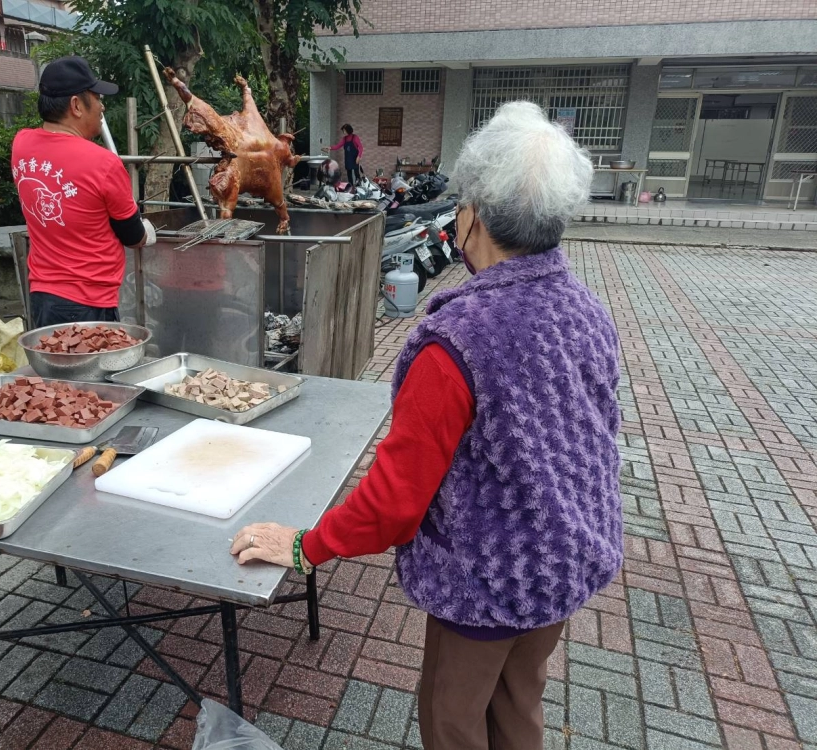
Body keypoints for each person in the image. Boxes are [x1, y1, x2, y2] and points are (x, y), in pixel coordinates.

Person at [230, 101, 622, 750]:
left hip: (491, 577)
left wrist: (305, 546)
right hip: (567, 558)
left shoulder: (458, 340)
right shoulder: (585, 308)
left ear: (473, 214)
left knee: (452, 720)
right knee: (517, 707)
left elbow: (395, 502)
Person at [11, 56, 154, 328]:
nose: (102, 106)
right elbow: (133, 237)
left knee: (50, 356)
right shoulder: (104, 164)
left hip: (42, 296)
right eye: (97, 97)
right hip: (88, 304)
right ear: (76, 105)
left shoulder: (21, 144)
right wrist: (147, 232)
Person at [323, 124, 363, 188]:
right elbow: (338, 146)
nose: (343, 132)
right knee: (349, 174)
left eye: (344, 131)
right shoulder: (344, 139)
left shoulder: (355, 137)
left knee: (356, 174)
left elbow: (360, 147)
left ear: (348, 130)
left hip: (355, 158)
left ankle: (359, 187)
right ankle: (351, 187)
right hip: (348, 158)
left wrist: (359, 156)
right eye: (343, 131)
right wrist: (330, 148)